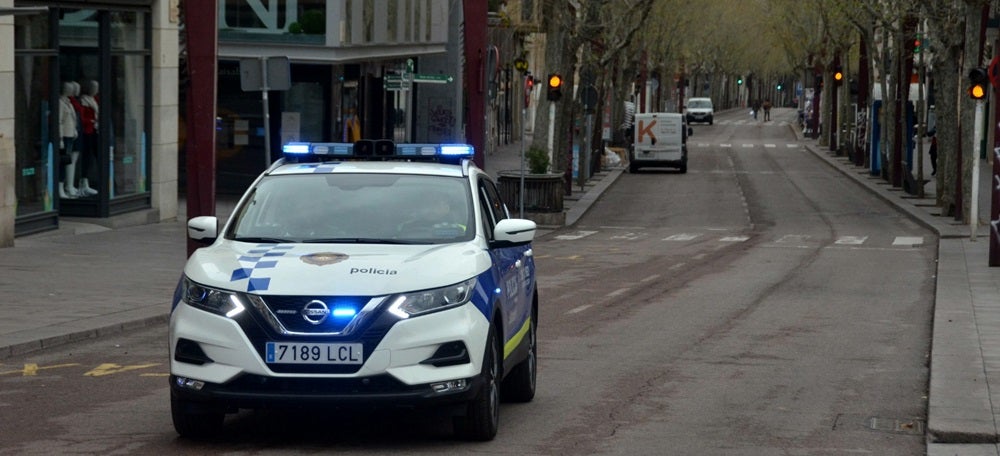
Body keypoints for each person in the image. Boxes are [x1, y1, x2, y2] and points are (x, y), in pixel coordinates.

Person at [72, 80, 100, 196]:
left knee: (97, 156)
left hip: (96, 131)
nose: (96, 89)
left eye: (97, 87)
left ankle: (96, 181)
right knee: (86, 157)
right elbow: (81, 118)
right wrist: (92, 121)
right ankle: (83, 182)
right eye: (94, 87)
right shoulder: (83, 101)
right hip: (87, 132)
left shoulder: (96, 100)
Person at [58, 82, 80, 198]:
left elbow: (72, 118)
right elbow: (59, 121)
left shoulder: (69, 102)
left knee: (67, 161)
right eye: (69, 89)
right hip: (65, 136)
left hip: (71, 134)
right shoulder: (61, 103)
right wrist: (60, 138)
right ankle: (60, 188)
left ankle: (66, 186)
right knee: (63, 162)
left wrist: (75, 130)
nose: (72, 90)